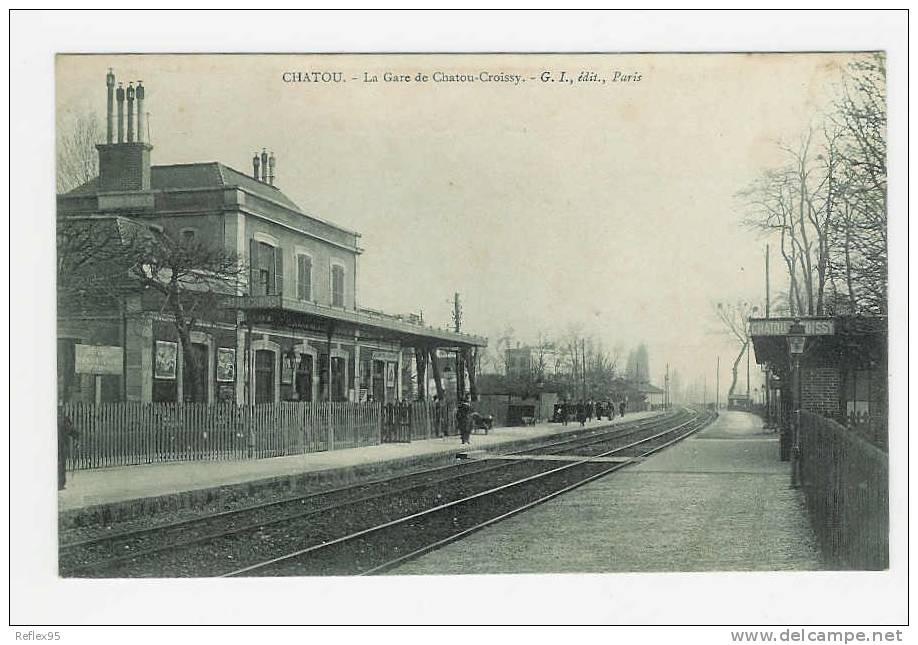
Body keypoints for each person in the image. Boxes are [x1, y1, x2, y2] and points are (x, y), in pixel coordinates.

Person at [57, 406, 78, 491]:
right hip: (61, 447)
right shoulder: (64, 419)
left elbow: (70, 429)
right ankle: (60, 484)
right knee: (61, 465)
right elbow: (71, 430)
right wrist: (76, 437)